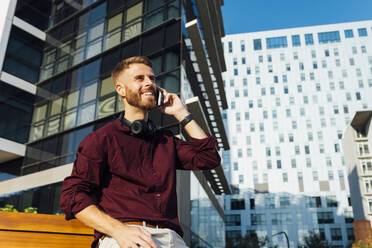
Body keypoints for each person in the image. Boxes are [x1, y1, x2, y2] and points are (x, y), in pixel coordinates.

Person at [60, 56, 221, 248]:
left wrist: (180, 112)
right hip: (127, 236)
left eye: (152, 79)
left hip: (173, 239)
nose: (149, 83)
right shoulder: (101, 139)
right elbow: (72, 196)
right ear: (121, 89)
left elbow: (208, 157)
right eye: (140, 78)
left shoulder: (166, 141)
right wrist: (118, 230)